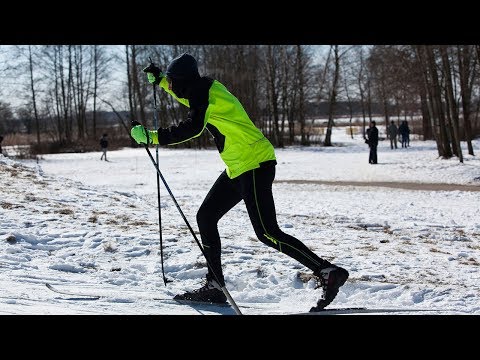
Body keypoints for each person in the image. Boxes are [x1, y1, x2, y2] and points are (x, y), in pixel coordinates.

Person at [131, 53, 349, 311]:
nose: (174, 86)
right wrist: (161, 82)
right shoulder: (203, 88)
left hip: (255, 164)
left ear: (185, 80)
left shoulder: (204, 93)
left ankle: (326, 271)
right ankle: (214, 286)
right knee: (206, 217)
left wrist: (153, 137)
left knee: (268, 232)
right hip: (239, 168)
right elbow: (185, 94)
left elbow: (193, 127)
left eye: (174, 81)